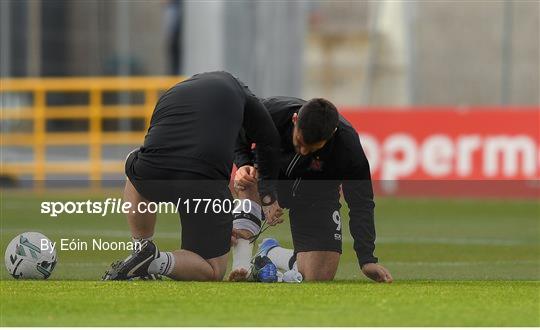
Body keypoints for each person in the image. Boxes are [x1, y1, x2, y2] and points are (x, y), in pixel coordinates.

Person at [103, 71, 282, 281]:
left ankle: (141, 248)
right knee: (212, 268)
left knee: (133, 164)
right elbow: (269, 140)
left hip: (152, 172)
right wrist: (268, 197)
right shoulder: (242, 95)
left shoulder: (173, 92)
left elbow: (155, 142)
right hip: (202, 181)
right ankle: (155, 260)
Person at [230, 97, 393, 282]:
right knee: (247, 178)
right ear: (294, 120)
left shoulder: (349, 148)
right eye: (299, 142)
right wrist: (244, 165)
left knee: (318, 277)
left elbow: (361, 203)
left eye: (312, 148)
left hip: (317, 195)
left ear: (331, 134)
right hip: (269, 176)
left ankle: (272, 254)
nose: (303, 152)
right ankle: (241, 267)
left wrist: (367, 260)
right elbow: (237, 133)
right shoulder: (272, 113)